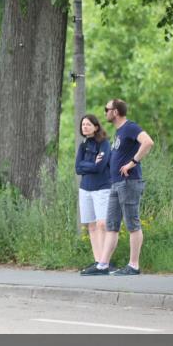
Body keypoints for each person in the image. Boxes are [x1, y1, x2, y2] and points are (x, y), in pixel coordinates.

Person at [100, 99, 154, 275]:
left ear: (115, 112)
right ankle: (103, 264)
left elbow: (148, 142)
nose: (104, 112)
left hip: (129, 182)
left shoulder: (130, 127)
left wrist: (133, 162)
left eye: (106, 109)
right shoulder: (119, 132)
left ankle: (134, 265)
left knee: (132, 223)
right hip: (116, 183)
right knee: (112, 225)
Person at [75, 114, 112, 276]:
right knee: (91, 225)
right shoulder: (83, 145)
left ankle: (105, 262)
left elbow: (101, 167)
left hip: (102, 188)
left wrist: (86, 165)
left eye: (88, 124)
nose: (85, 127)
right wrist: (91, 164)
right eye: (83, 125)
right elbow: (77, 168)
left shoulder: (104, 144)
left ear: (96, 127)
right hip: (85, 189)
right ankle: (97, 261)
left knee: (102, 224)